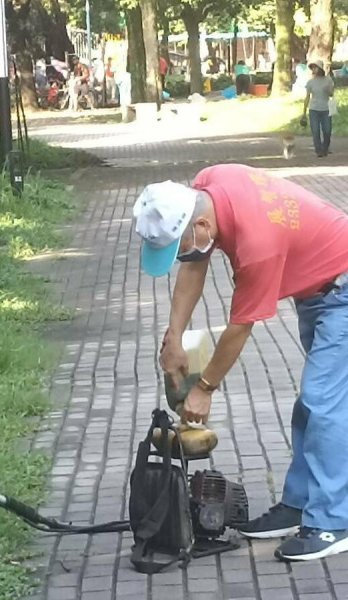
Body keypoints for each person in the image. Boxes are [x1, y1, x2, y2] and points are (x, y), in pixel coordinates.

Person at [133, 164, 348, 561]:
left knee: (325, 405)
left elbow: (239, 327)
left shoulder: (257, 244)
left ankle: (334, 522)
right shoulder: (209, 184)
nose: (181, 255)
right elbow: (195, 265)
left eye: (177, 246)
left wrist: (204, 388)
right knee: (314, 405)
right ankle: (300, 504)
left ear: (200, 225)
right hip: (318, 291)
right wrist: (174, 338)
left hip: (342, 289)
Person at [302, 59, 334, 157]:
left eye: (315, 67)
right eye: (312, 68)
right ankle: (319, 150)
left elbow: (331, 93)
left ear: (320, 68)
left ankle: (325, 148)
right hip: (314, 109)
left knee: (327, 131)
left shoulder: (328, 80)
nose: (313, 70)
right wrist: (304, 111)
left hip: (326, 108)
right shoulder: (311, 82)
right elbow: (307, 96)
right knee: (315, 131)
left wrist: (327, 90)